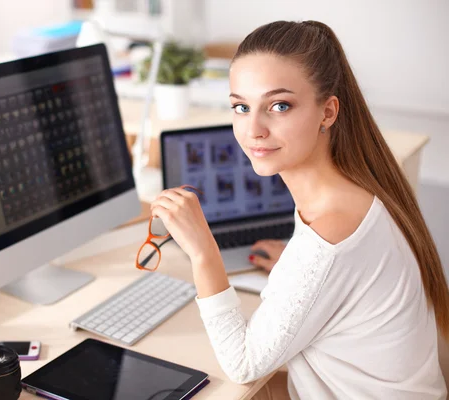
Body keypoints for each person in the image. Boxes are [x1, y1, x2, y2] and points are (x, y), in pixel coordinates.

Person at [150, 20, 449, 399]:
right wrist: (296, 266)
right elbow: (338, 274)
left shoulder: (332, 233)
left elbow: (243, 363)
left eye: (279, 105)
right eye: (241, 106)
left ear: (328, 112)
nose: (253, 129)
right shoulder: (352, 193)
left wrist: (202, 251)